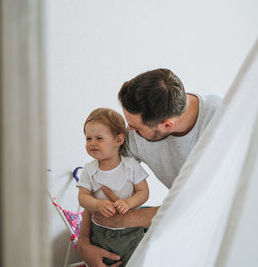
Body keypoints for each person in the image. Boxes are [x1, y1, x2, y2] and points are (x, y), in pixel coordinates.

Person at [77, 68, 222, 267]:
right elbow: (98, 182)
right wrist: (83, 242)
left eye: (136, 127)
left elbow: (209, 208)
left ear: (167, 125)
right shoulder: (136, 132)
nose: (129, 131)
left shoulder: (223, 123)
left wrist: (129, 219)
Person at [77, 108, 150, 267]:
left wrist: (128, 203)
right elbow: (82, 197)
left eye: (99, 138)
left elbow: (143, 192)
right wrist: (98, 204)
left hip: (130, 231)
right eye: (88, 138)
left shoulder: (130, 166)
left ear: (118, 140)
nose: (92, 143)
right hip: (100, 233)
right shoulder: (89, 169)